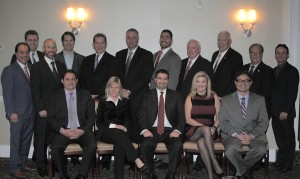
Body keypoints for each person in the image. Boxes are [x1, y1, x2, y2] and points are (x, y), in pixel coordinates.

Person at [219, 71, 269, 179]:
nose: (243, 83)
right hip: (233, 135)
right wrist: (237, 135)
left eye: (246, 81)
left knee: (261, 150)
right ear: (235, 83)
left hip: (254, 134)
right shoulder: (225, 100)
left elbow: (264, 122)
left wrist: (251, 136)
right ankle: (244, 173)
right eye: (240, 81)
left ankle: (238, 172)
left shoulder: (260, 99)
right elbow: (223, 122)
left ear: (251, 83)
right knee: (231, 150)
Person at [47, 70, 97, 179]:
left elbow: (91, 117)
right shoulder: (54, 95)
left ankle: (82, 175)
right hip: (63, 130)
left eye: (73, 79)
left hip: (82, 130)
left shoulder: (85, 94)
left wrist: (82, 130)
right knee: (56, 147)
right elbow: (51, 118)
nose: (70, 82)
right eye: (67, 79)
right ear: (62, 81)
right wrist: (63, 131)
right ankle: (64, 176)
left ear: (77, 81)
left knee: (92, 145)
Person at [96, 76, 146, 179]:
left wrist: (124, 127)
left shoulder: (126, 102)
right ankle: (136, 159)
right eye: (111, 87)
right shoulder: (102, 102)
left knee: (119, 145)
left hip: (123, 132)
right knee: (117, 133)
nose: (114, 90)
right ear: (107, 88)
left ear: (120, 89)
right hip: (107, 132)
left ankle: (119, 176)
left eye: (117, 87)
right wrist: (115, 126)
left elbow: (130, 120)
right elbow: (99, 122)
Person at [138, 69, 185, 179]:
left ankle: (171, 173)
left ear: (168, 81)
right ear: (155, 80)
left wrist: (177, 130)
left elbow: (181, 116)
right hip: (152, 130)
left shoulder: (176, 95)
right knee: (145, 145)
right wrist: (144, 130)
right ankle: (150, 173)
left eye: (165, 79)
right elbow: (141, 115)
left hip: (170, 130)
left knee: (178, 144)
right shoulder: (146, 95)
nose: (162, 81)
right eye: (160, 78)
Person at [30, 38, 66, 177]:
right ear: (44, 49)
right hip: (43, 111)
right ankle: (41, 166)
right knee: (42, 140)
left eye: (54, 47)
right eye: (49, 47)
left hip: (57, 112)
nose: (52, 50)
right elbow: (35, 90)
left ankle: (56, 164)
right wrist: (40, 108)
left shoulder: (61, 65)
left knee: (55, 138)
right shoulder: (37, 67)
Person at [1, 42, 35, 178]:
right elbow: (7, 94)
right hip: (17, 114)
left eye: (26, 52)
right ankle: (14, 168)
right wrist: (10, 113)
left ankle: (22, 164)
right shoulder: (9, 70)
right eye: (21, 52)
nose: (24, 55)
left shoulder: (32, 68)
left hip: (30, 112)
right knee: (16, 141)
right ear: (16, 54)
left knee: (26, 141)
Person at [116, 28, 154, 143]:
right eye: (129, 38)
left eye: (134, 38)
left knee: (137, 130)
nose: (131, 40)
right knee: (123, 129)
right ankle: (126, 158)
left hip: (138, 98)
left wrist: (129, 91)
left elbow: (146, 77)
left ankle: (138, 157)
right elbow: (115, 75)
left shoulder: (147, 54)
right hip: (120, 97)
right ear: (125, 39)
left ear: (138, 39)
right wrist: (121, 90)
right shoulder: (119, 54)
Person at [184, 71, 224, 179]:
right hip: (193, 131)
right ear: (194, 83)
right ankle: (214, 161)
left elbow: (220, 117)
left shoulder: (213, 96)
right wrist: (205, 127)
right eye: (198, 82)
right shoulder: (190, 97)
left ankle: (210, 175)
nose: (200, 84)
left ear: (207, 83)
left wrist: (214, 128)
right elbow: (188, 119)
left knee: (202, 143)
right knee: (205, 129)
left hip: (211, 132)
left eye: (203, 82)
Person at [271, 44, 299, 172]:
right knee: (280, 139)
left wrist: (286, 110)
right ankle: (280, 162)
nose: (280, 55)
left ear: (287, 55)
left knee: (288, 139)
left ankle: (287, 165)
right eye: (278, 53)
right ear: (275, 55)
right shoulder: (273, 71)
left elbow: (292, 93)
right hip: (275, 112)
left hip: (285, 113)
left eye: (283, 53)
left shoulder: (292, 71)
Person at [79, 33, 118, 99]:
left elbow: (111, 81)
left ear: (106, 45)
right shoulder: (86, 59)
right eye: (97, 43)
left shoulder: (113, 60)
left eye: (102, 43)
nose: (99, 45)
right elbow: (81, 79)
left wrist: (97, 94)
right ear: (93, 45)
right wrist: (88, 94)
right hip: (87, 97)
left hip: (104, 97)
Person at [242, 43, 273, 119]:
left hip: (259, 111)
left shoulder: (268, 71)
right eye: (252, 52)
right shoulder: (243, 68)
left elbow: (266, 92)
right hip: (242, 110)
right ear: (249, 54)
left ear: (262, 54)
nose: (254, 55)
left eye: (257, 52)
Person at [211, 31, 243, 97]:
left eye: (224, 40)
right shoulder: (215, 55)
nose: (221, 43)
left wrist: (225, 96)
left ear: (230, 42)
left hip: (225, 97)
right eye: (219, 40)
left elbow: (236, 79)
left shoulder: (236, 56)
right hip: (212, 95)